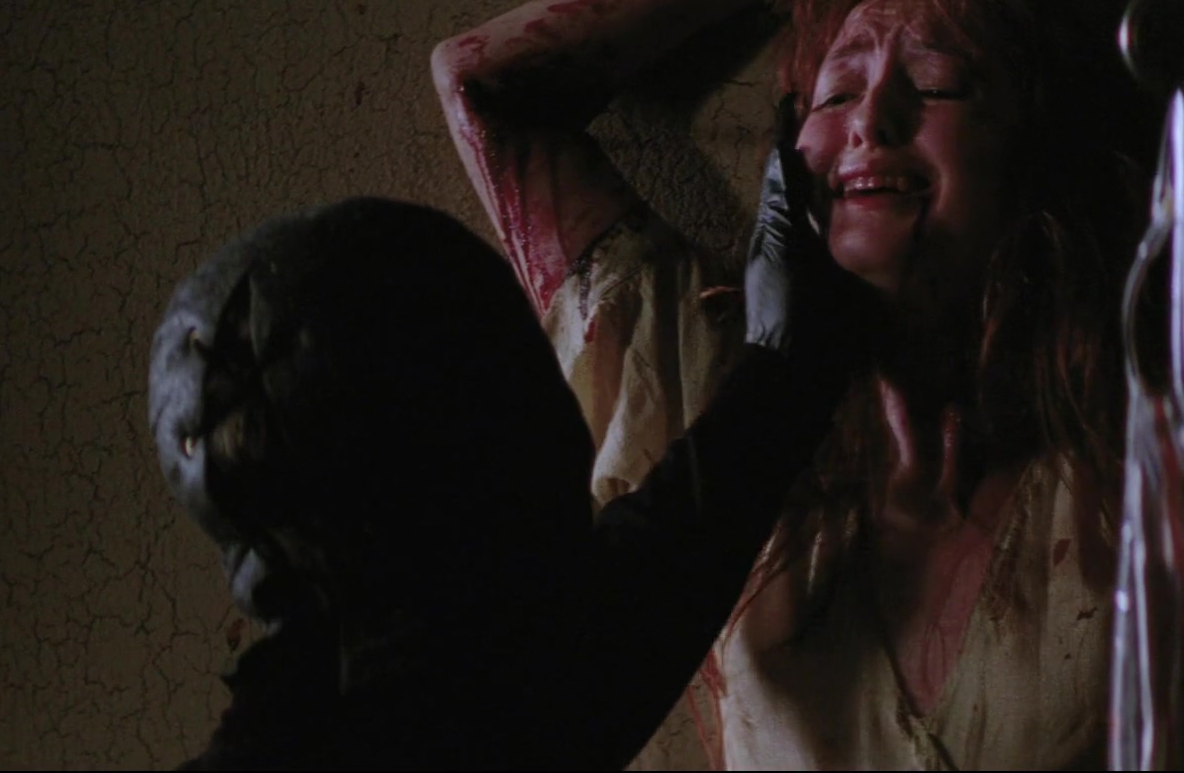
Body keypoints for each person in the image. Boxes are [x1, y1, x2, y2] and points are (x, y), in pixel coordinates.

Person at [432, 0, 1184, 769]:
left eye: (935, 85)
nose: (870, 120)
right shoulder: (712, 390)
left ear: (1037, 154)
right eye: (834, 92)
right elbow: (485, 85)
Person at [148, 174, 870, 765]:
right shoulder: (473, 707)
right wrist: (784, 370)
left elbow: (604, 628)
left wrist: (784, 375)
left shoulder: (412, 706)